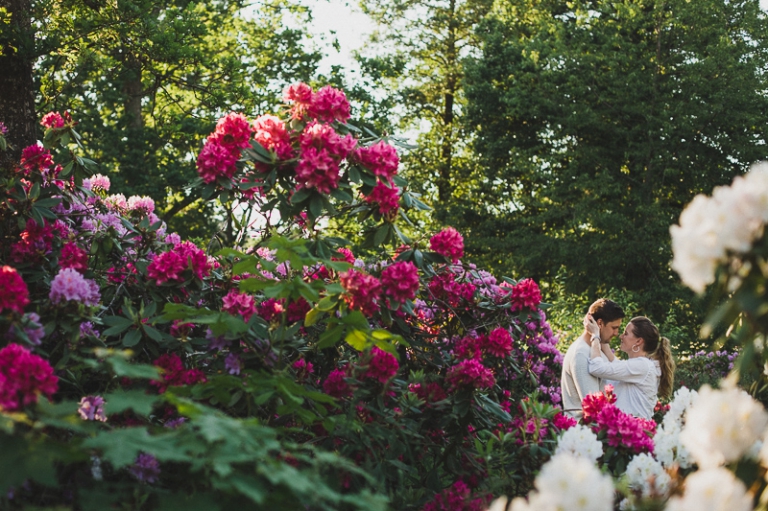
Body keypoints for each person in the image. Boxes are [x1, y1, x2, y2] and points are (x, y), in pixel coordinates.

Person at [586, 315, 675, 420]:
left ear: (638, 341)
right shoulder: (641, 365)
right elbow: (615, 364)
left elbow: (596, 368)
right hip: (631, 430)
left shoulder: (643, 366)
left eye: (626, 333)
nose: (621, 336)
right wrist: (602, 335)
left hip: (633, 431)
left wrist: (595, 336)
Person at [561, 299, 625, 418]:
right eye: (614, 327)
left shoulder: (597, 349)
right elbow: (593, 407)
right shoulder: (580, 354)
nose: (617, 333)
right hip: (583, 432)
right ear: (599, 324)